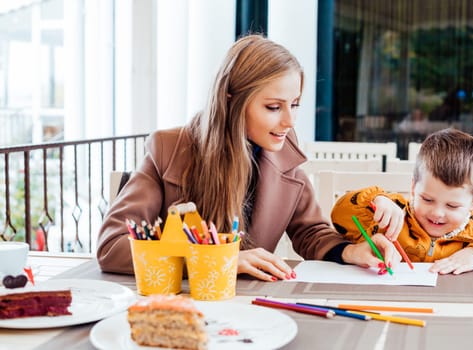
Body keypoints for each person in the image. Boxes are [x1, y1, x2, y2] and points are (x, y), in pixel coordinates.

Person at [97, 34, 399, 281]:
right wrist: (221, 260)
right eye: (273, 107)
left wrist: (350, 251)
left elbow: (310, 231)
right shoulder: (168, 148)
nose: (290, 121)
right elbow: (113, 247)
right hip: (180, 303)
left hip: (253, 307)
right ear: (231, 102)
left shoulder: (283, 152)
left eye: (294, 104)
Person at [331, 128, 473, 275]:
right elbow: (339, 215)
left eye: (452, 206)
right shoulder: (392, 218)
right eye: (427, 199)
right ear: (414, 188)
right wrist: (377, 198)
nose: (437, 213)